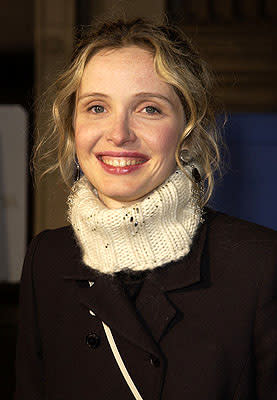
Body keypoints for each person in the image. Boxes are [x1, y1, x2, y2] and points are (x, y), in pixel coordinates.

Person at [15, 18, 277, 400]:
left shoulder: (259, 263)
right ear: (73, 126)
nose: (119, 133)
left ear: (188, 128)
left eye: (149, 109)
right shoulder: (48, 260)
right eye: (97, 107)